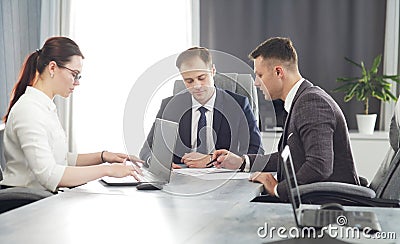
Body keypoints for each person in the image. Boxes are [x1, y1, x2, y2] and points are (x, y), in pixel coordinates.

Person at [212, 37, 360, 200]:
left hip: (325, 204)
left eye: (260, 75)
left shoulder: (311, 103)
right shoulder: (302, 100)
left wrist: (277, 188)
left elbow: (319, 166)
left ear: (278, 72)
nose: (256, 83)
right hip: (313, 197)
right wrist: (242, 161)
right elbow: (291, 156)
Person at [1, 37, 142, 192]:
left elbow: (61, 159)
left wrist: (103, 156)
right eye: (74, 74)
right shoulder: (29, 110)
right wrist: (107, 170)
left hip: (41, 197)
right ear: (52, 68)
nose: (77, 82)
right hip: (26, 203)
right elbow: (49, 175)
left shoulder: (44, 107)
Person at [140, 47, 264, 168]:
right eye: (189, 81)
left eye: (201, 78)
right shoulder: (170, 106)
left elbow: (257, 152)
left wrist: (211, 159)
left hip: (223, 178)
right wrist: (159, 163)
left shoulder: (238, 104)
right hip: (181, 178)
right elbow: (146, 151)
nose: (197, 86)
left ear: (213, 71)